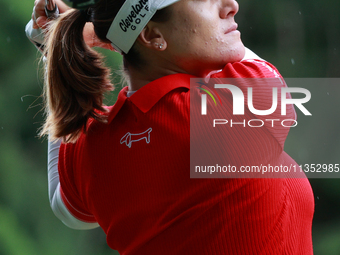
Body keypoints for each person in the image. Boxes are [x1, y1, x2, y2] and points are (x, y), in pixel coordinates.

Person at [26, 0, 314, 254]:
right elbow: (258, 73)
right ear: (151, 34)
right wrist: (107, 37)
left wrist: (54, 45)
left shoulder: (95, 142)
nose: (230, 5)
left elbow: (65, 207)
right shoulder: (225, 115)